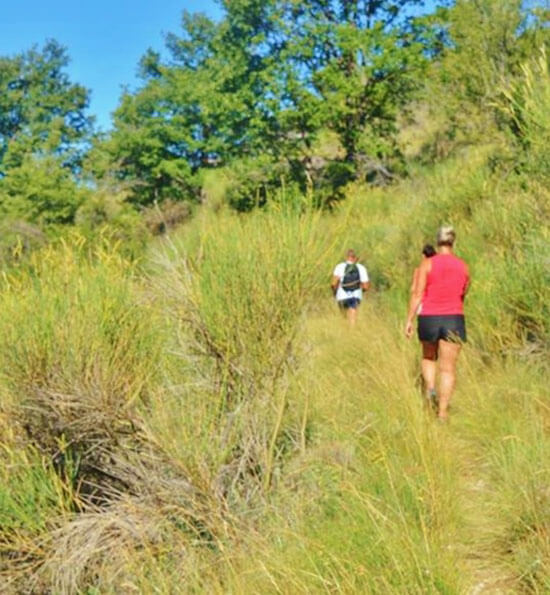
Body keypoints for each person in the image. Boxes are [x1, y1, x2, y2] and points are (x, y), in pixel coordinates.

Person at [405, 227, 470, 421]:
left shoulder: (427, 264)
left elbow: (418, 293)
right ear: (453, 242)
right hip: (454, 317)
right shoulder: (463, 266)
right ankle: (442, 412)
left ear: (437, 242)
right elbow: (463, 292)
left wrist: (409, 319)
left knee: (428, 356)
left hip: (429, 317)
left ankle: (431, 389)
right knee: (448, 368)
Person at [331, 249, 370, 326]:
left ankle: (344, 331)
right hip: (356, 296)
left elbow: (333, 283)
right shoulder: (361, 268)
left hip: (342, 296)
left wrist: (334, 292)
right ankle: (352, 331)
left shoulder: (339, 266)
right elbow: (366, 286)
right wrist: (361, 290)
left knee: (344, 316)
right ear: (355, 257)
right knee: (353, 316)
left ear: (346, 257)